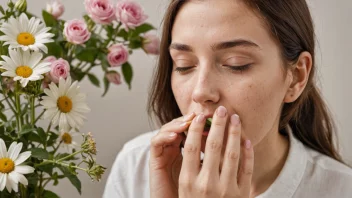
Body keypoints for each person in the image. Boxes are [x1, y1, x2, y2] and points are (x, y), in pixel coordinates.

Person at [103, 0, 352, 197]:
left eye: (236, 64)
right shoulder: (137, 166)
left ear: (296, 76)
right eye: (184, 65)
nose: (200, 92)